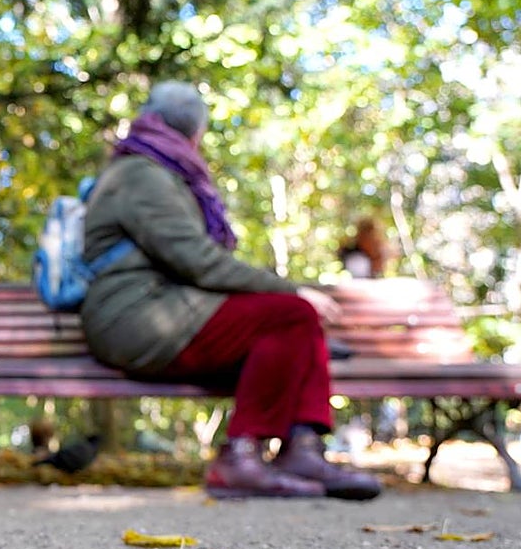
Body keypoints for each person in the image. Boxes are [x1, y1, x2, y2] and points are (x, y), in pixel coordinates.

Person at [79, 81, 381, 500]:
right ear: (196, 132)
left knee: (297, 327)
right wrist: (292, 290)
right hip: (134, 317)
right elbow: (196, 260)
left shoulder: (156, 169)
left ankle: (303, 449)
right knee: (290, 315)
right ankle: (239, 458)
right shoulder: (141, 174)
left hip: (160, 312)